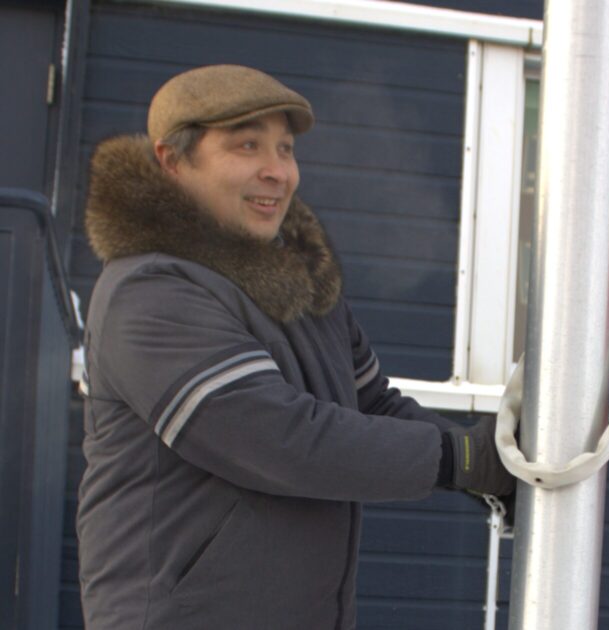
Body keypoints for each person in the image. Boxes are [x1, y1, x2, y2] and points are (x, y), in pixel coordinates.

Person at [75, 64, 515, 630]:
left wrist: (490, 463)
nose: (277, 172)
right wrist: (460, 461)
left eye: (285, 149)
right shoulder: (151, 291)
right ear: (172, 161)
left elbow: (372, 404)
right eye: (247, 146)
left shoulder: (302, 288)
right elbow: (278, 439)